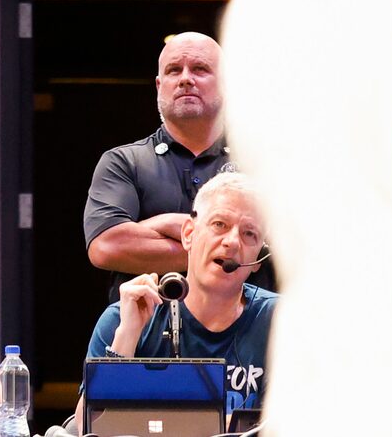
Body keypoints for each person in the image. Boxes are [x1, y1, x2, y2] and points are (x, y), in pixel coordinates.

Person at [86, 172, 276, 428]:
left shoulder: (281, 321)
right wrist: (127, 336)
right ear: (189, 234)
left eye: (249, 234)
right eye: (219, 224)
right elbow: (91, 425)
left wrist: (165, 425)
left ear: (257, 259)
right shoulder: (124, 316)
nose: (232, 242)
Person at [83, 31, 231, 273]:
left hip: (245, 311)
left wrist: (159, 226)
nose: (185, 79)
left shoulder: (258, 165)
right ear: (159, 86)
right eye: (174, 70)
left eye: (200, 69)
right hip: (150, 311)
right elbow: (107, 247)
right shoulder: (123, 163)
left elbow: (275, 247)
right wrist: (224, 249)